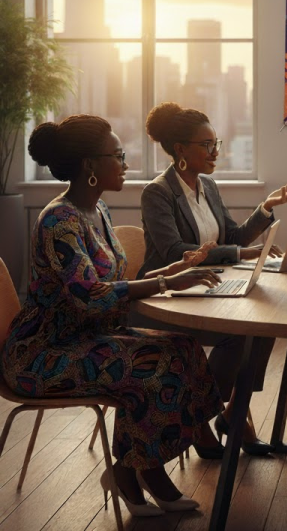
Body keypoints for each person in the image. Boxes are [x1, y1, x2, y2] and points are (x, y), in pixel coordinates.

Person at [2, 115, 223, 517]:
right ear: (90, 165)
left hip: (89, 338)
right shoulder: (58, 220)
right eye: (118, 156)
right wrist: (160, 285)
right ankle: (143, 473)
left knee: (185, 348)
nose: (125, 163)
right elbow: (91, 295)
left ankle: (130, 469)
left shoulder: (97, 209)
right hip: (44, 354)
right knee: (152, 364)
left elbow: (117, 280)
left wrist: (170, 273)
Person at [137, 102, 287, 456]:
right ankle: (199, 417)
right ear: (180, 150)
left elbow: (234, 236)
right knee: (235, 335)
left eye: (216, 144)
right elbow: (175, 253)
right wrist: (240, 255)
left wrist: (266, 208)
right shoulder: (157, 193)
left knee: (265, 322)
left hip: (207, 286)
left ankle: (232, 411)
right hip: (164, 295)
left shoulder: (208, 186)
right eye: (206, 145)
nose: (214, 152)